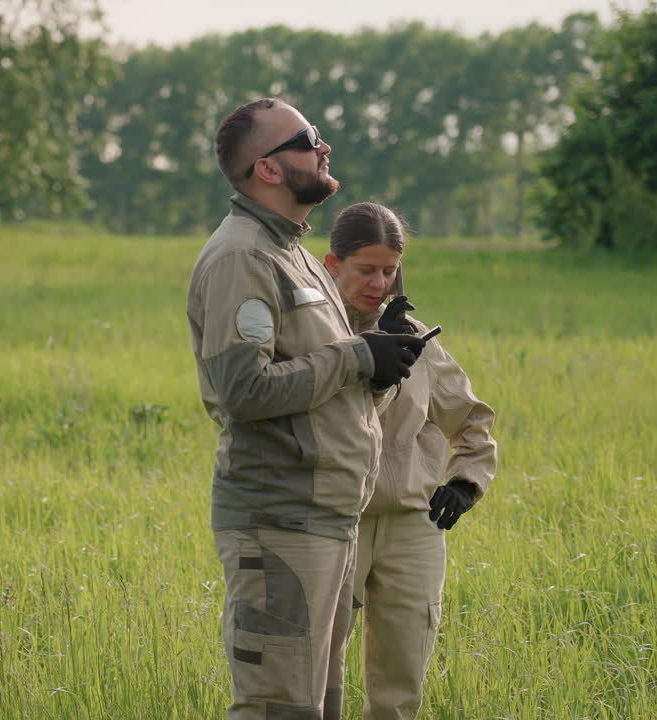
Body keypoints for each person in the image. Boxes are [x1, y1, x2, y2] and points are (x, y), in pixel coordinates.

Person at [187, 98, 427, 719]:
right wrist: (355, 358)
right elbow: (243, 392)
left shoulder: (293, 251)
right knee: (279, 708)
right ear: (267, 169)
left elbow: (317, 378)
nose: (323, 146)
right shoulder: (244, 256)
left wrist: (381, 362)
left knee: (318, 705)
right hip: (280, 520)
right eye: (307, 138)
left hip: (325, 515)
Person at [323, 202, 498, 720]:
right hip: (334, 521)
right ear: (333, 265)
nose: (380, 283)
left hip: (413, 527)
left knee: (400, 688)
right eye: (366, 269)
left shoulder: (419, 337)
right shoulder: (312, 331)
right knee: (315, 679)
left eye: (390, 270)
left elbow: (471, 419)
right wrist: (371, 355)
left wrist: (466, 482)